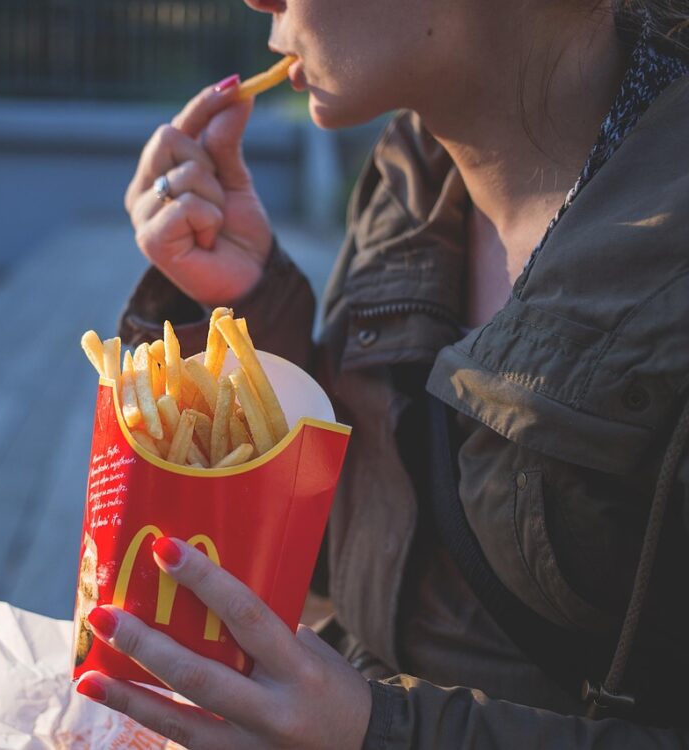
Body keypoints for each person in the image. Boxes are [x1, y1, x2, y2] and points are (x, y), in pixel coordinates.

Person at [73, 0, 689, 747]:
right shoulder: (411, 177)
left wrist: (374, 731)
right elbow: (367, 568)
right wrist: (247, 302)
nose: (257, 0)